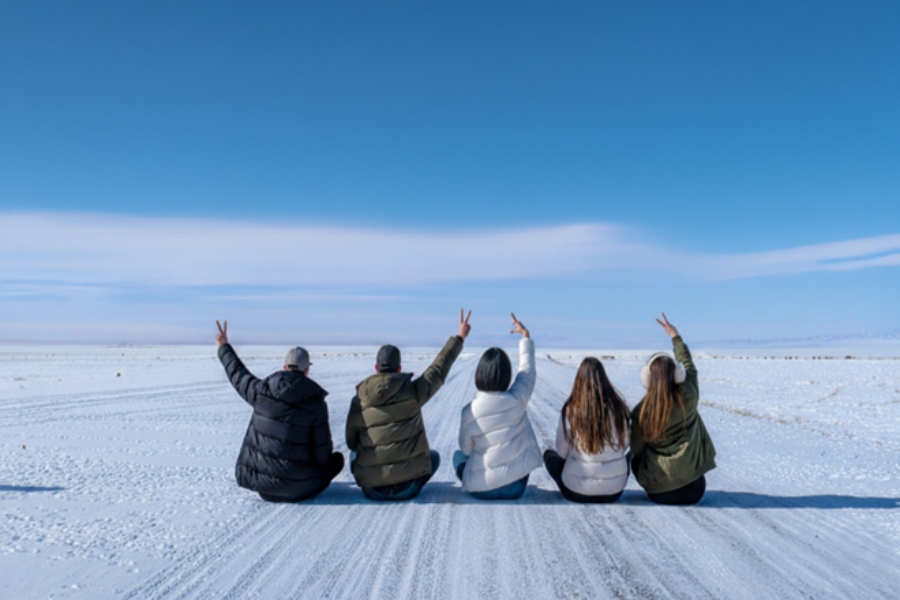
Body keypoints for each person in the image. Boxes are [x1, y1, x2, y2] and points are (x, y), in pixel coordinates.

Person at [345, 309, 472, 501]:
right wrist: (459, 338)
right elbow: (438, 370)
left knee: (354, 455)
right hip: (409, 487)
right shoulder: (412, 393)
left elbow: (351, 443)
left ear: (376, 368)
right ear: (399, 368)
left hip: (372, 490)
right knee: (433, 457)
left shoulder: (359, 399)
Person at [215, 320, 343, 502]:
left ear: (285, 367)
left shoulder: (261, 391)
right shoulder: (316, 403)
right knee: (337, 460)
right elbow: (322, 453)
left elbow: (238, 374)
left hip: (264, 487)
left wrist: (223, 347)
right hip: (302, 489)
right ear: (307, 370)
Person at [630, 314, 716, 505]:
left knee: (633, 457)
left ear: (647, 378)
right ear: (678, 376)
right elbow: (689, 366)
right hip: (695, 491)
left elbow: (636, 449)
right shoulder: (690, 395)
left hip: (658, 492)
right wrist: (675, 336)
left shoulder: (640, 412)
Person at [455, 313, 540, 500]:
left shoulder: (468, 411)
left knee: (458, 457)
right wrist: (525, 337)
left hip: (481, 489)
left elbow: (467, 450)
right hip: (515, 487)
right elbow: (527, 372)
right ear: (506, 375)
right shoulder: (518, 398)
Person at [543, 357, 630, 503]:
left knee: (549, 456)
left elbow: (562, 451)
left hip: (576, 492)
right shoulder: (619, 409)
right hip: (614, 492)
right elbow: (625, 445)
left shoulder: (571, 410)